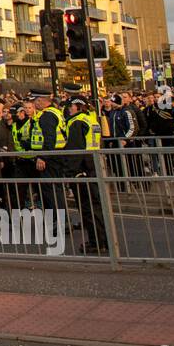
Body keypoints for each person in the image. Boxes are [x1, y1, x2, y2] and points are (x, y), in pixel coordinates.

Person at [62, 97, 108, 255]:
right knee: (97, 206)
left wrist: (70, 172)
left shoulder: (76, 122)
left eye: (70, 106)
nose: (68, 109)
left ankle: (96, 242)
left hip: (82, 170)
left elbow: (75, 149)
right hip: (93, 166)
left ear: (77, 106)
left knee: (88, 208)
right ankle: (104, 240)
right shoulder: (91, 119)